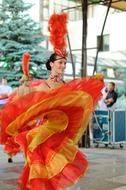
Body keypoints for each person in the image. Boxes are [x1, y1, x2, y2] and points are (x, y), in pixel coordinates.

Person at [0, 13, 104, 190]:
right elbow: (28, 100)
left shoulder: (65, 85)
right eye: (59, 63)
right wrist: (25, 85)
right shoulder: (43, 85)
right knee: (42, 166)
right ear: (51, 65)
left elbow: (80, 98)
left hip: (62, 133)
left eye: (64, 63)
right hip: (47, 132)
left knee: (59, 169)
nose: (62, 66)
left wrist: (94, 82)